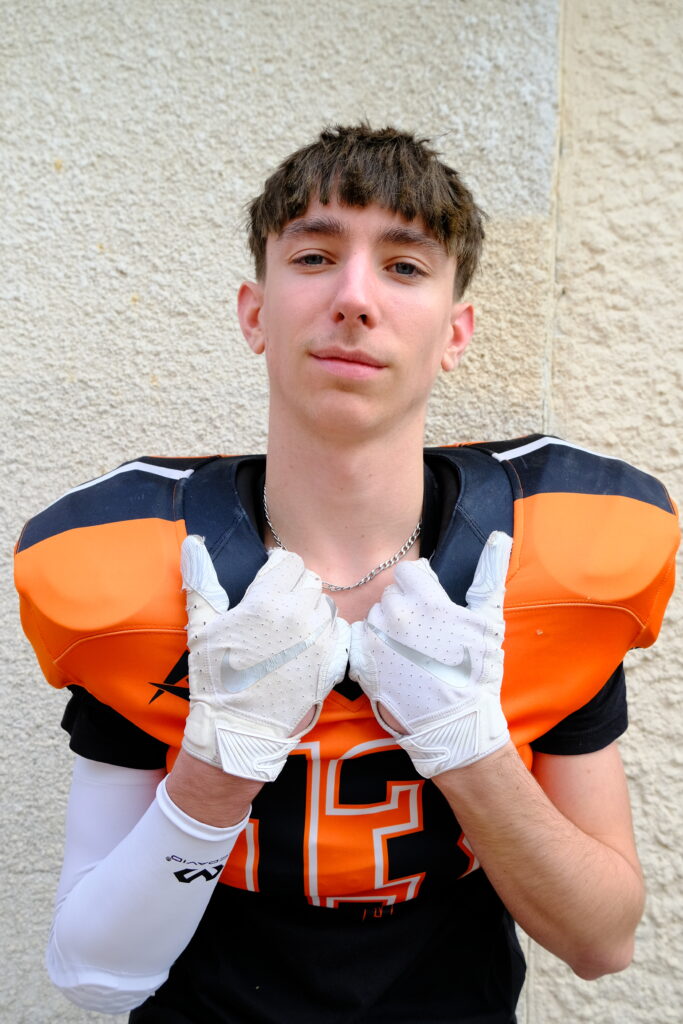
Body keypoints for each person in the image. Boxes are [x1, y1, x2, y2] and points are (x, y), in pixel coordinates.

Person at [15, 124, 678, 1024]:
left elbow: (602, 943)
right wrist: (219, 763)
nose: (355, 298)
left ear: (454, 332)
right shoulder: (144, 568)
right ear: (255, 313)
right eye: (315, 256)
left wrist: (468, 748)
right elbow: (96, 975)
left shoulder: (543, 565)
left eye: (404, 266)